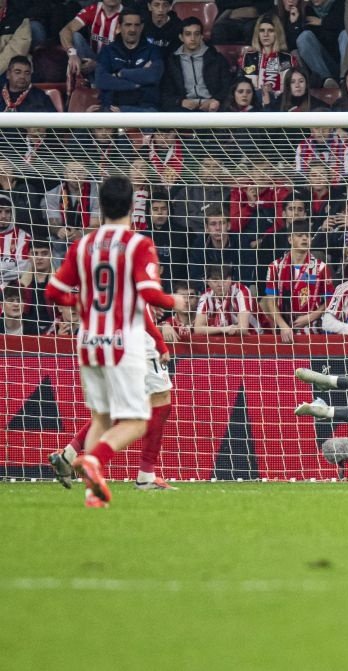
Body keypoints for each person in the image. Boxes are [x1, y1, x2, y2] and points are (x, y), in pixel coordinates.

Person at [44, 175, 186, 508]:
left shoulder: (83, 244)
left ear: (100, 205)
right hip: (124, 339)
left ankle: (92, 492)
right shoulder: (138, 244)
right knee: (136, 420)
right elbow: (148, 292)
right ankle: (99, 462)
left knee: (102, 419)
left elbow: (53, 291)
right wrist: (172, 303)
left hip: (88, 339)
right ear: (133, 206)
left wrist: (79, 305)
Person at [49, 300, 179, 491]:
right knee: (160, 402)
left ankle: (67, 455)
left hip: (106, 337)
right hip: (138, 340)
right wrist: (160, 342)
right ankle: (144, 476)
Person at [261, 222, 334, 342]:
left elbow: (330, 300)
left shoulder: (321, 267)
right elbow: (270, 301)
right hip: (283, 328)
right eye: (300, 235)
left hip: (313, 328)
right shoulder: (275, 267)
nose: (305, 238)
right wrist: (282, 325)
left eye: (308, 235)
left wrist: (311, 317)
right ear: (290, 239)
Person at [95, 8, 164, 112]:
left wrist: (121, 74)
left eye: (136, 25)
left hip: (144, 109)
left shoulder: (153, 50)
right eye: (128, 25)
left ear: (142, 27)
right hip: (113, 108)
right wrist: (136, 83)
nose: (132, 29)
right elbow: (102, 80)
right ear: (119, 27)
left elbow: (153, 76)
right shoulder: (107, 51)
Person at [161, 16, 231, 112]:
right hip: (184, 108)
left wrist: (216, 100)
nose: (193, 38)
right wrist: (180, 101)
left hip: (213, 106)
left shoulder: (216, 58)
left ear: (201, 36)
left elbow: (227, 85)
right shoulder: (172, 62)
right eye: (188, 34)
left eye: (196, 34)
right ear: (181, 37)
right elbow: (166, 92)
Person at [239, 14, 296, 108]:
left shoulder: (286, 59)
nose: (265, 35)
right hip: (253, 105)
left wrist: (271, 92)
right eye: (262, 31)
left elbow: (288, 89)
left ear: (277, 33)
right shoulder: (248, 57)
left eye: (270, 31)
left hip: (279, 105)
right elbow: (243, 85)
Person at [194, 264, 263, 336]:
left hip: (257, 336)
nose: (220, 284)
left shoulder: (241, 291)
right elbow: (198, 329)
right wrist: (222, 329)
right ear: (207, 281)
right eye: (215, 280)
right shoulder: (206, 296)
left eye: (224, 279)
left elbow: (243, 329)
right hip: (227, 338)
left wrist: (225, 329)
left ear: (230, 279)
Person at [61, 0, 123, 79]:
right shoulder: (93, 10)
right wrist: (72, 54)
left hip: (114, 63)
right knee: (75, 36)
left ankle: (96, 82)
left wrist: (98, 65)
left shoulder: (127, 16)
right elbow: (65, 31)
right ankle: (83, 79)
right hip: (93, 56)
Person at [294, 0, 344, 86]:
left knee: (345, 34)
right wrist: (295, 23)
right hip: (323, 63)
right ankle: (327, 80)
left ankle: (346, 78)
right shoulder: (308, 9)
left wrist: (322, 22)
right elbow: (304, 44)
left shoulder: (340, 4)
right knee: (304, 37)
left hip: (344, 61)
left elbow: (347, 26)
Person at [0, 193, 29, 288]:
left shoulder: (24, 237)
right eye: (0, 211)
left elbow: (24, 267)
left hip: (12, 288)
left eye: (7, 211)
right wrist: (7, 266)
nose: (3, 216)